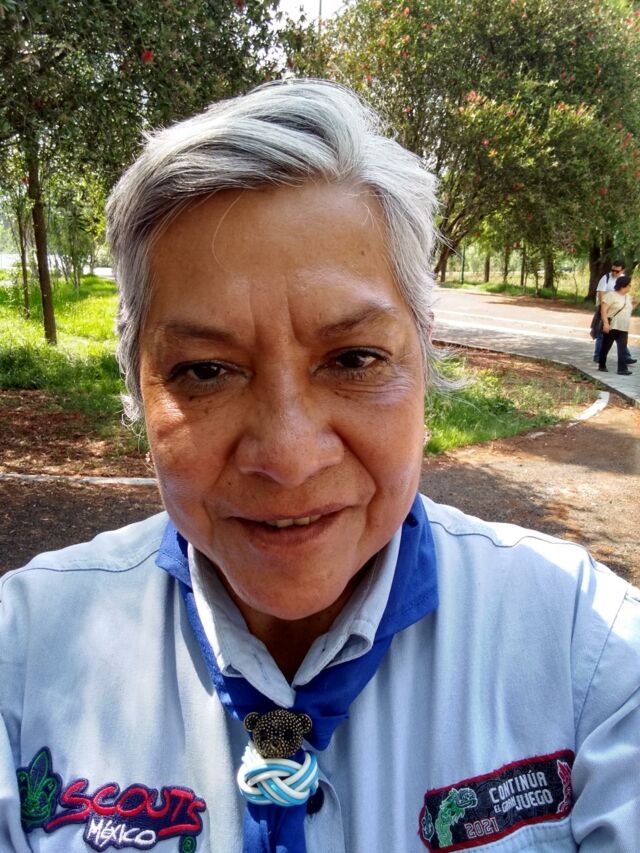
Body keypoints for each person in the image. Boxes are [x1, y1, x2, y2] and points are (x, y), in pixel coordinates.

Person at [1, 80, 638, 853]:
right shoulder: (21, 658)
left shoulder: (589, 652)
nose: (289, 458)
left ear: (423, 359)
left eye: (355, 358)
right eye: (205, 370)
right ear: (137, 384)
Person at [593, 260, 636, 364]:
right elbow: (600, 294)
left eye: (617, 271)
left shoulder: (624, 278)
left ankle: (626, 356)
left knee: (619, 334)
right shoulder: (606, 278)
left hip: (618, 310)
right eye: (612, 270)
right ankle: (598, 355)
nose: (614, 272)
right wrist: (604, 309)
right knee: (602, 334)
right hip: (606, 308)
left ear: (622, 270)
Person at [598, 274, 635, 375]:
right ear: (623, 286)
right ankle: (602, 364)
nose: (630, 287)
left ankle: (622, 369)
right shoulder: (610, 295)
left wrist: (635, 303)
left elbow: (628, 310)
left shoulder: (628, 297)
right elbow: (603, 310)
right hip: (612, 326)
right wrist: (605, 323)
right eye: (629, 285)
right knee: (606, 347)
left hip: (623, 327)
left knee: (622, 349)